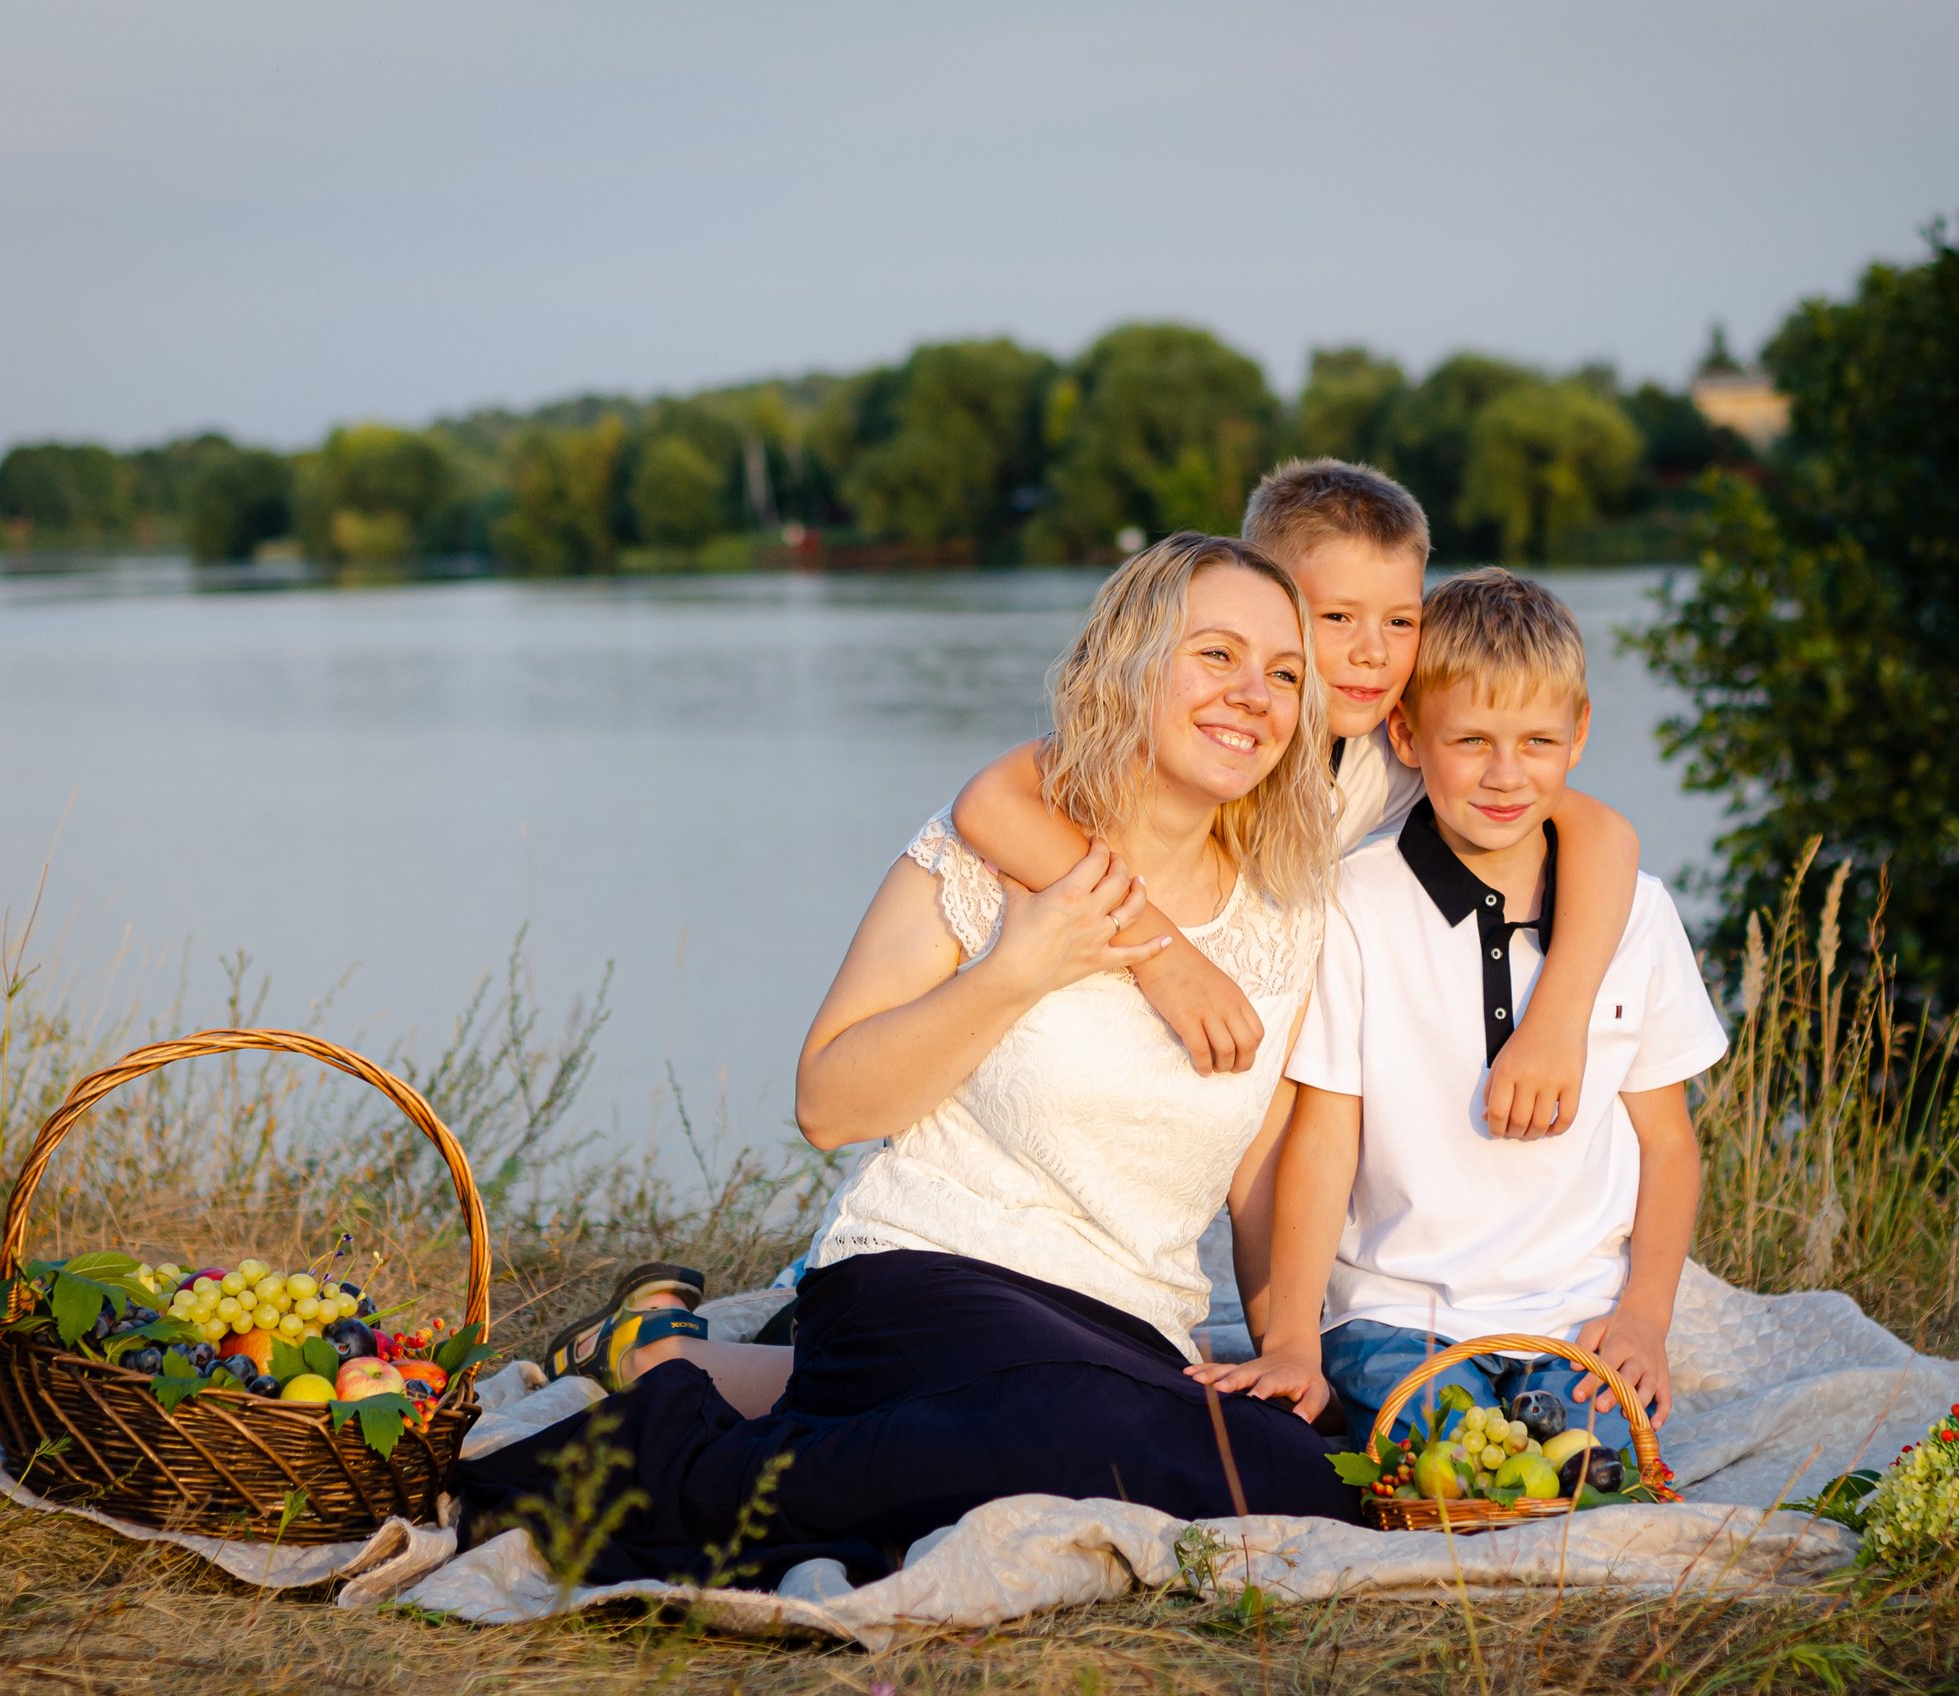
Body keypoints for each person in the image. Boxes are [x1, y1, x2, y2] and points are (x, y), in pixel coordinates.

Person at [455, 534, 1359, 1590]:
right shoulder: (984, 858)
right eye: (1216, 655)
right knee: (1090, 1425)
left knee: (1290, 1469)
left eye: (1284, 673)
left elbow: (1260, 1154)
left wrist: (1291, 1336)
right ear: (1133, 661)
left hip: (1124, 1321)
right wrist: (1016, 970)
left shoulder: (1289, 907)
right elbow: (828, 1104)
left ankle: (711, 1382)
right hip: (923, 1273)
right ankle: (647, 1461)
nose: (1253, 693)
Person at [1190, 570, 1728, 1455]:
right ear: (1407, 734)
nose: (1506, 775)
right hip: (1397, 1314)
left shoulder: (1636, 911)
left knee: (1589, 1468)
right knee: (1448, 1462)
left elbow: (1668, 1143)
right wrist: (1292, 1336)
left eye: (1539, 741)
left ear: (1580, 733)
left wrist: (1643, 1321)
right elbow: (1326, 1138)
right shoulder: (1355, 903)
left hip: (1575, 1316)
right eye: (1471, 740)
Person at [951, 459, 1641, 1144]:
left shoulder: (1389, 752)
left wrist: (1556, 1019)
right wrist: (1164, 957)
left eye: (1401, 622)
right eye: (1338, 616)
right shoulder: (1204, 733)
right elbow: (990, 805)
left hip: (1230, 1060)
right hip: (1097, 1024)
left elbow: (1602, 834)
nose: (1373, 653)